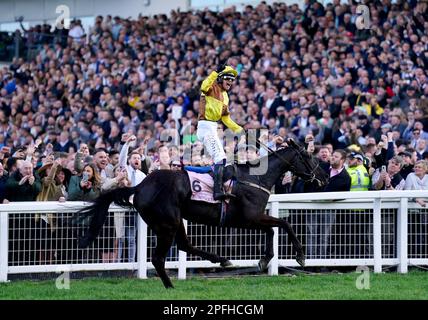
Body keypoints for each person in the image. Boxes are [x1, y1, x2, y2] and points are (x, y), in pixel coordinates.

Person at [197, 63, 243, 200]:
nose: (230, 82)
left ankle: (216, 186)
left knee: (223, 160)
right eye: (227, 78)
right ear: (220, 78)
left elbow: (226, 118)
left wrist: (239, 130)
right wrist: (215, 71)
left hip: (212, 128)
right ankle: (217, 191)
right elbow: (203, 86)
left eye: (232, 80)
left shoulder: (226, 96)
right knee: (220, 158)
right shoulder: (211, 87)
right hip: (205, 128)